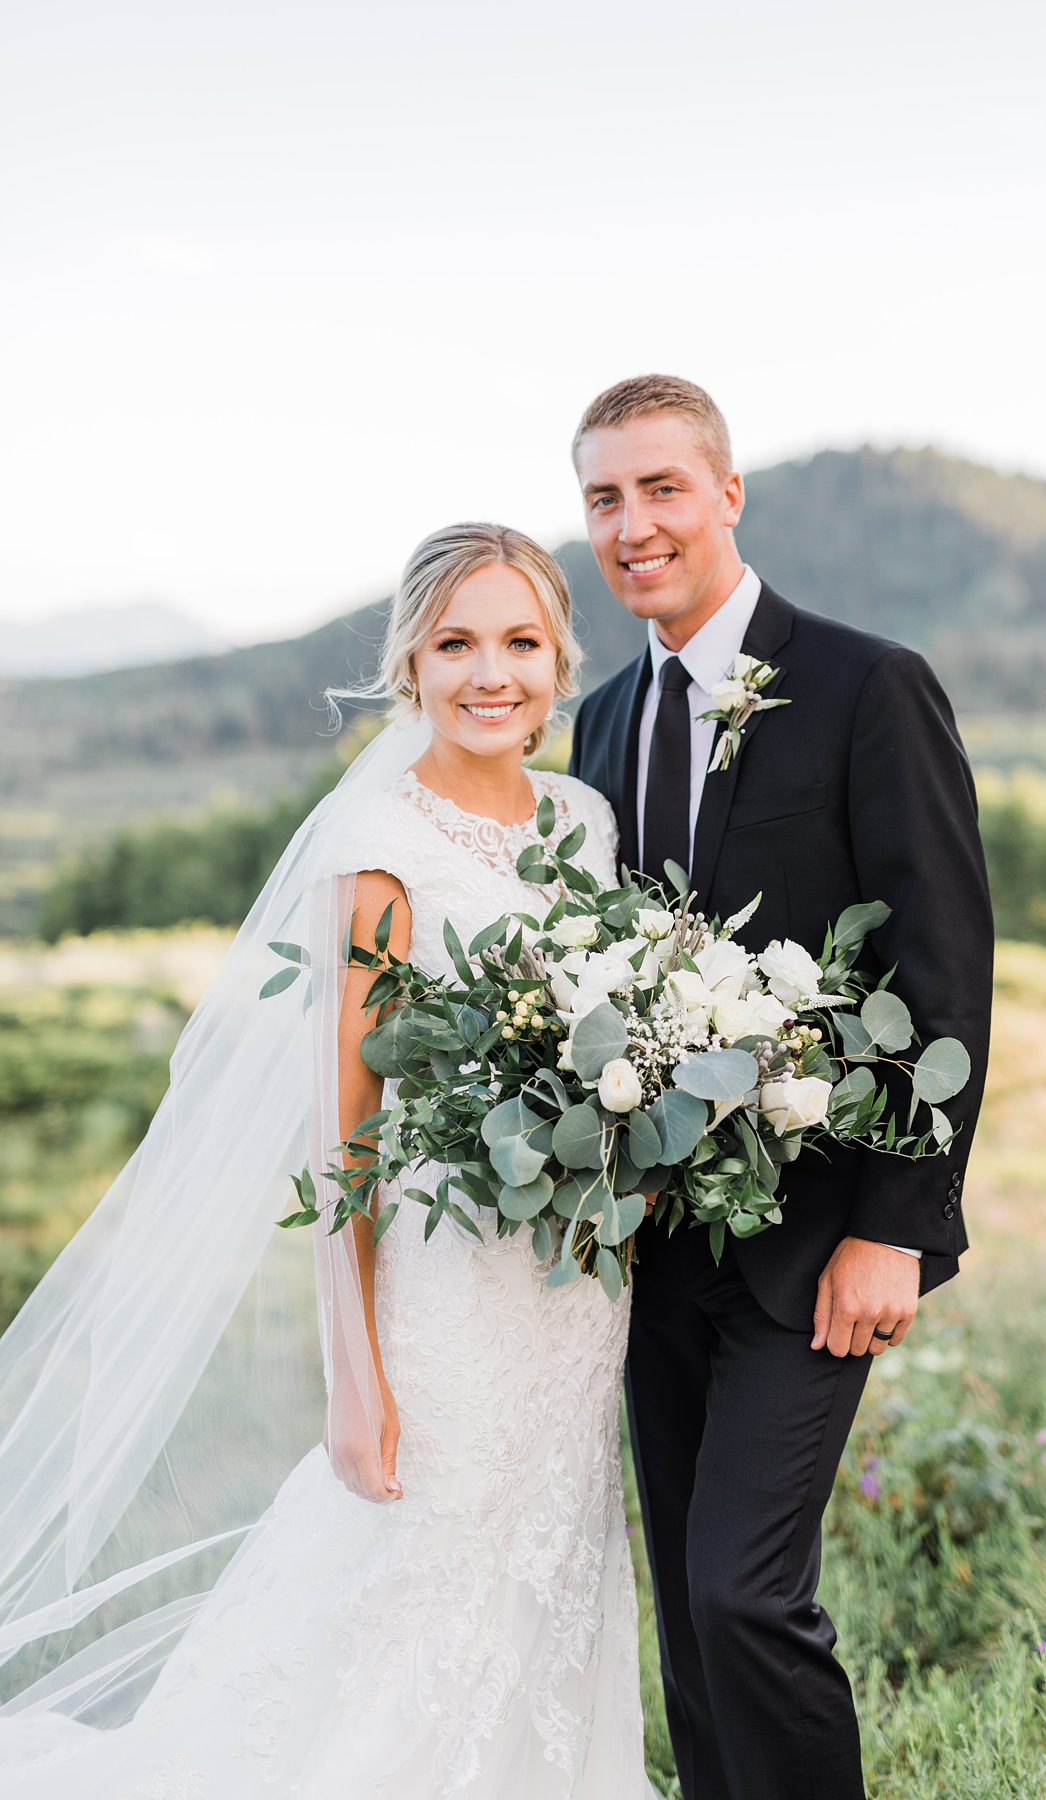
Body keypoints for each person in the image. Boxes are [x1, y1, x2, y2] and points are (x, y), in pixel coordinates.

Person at [0, 524, 654, 1798]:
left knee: (549, 1567)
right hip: (446, 1283)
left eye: (520, 641)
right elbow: (343, 1131)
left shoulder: (586, 817)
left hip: (573, 1286)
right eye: (457, 642)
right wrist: (353, 1375)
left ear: (562, 658)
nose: (491, 673)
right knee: (412, 1579)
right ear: (410, 659)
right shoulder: (378, 838)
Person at [569, 375, 994, 1800]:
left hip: (815, 1243)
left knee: (748, 1596)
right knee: (693, 1621)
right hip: (651, 1258)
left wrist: (899, 1221)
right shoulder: (602, 721)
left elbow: (943, 967)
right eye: (605, 499)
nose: (635, 526)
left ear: (728, 493)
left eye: (662, 488)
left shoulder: (869, 685)